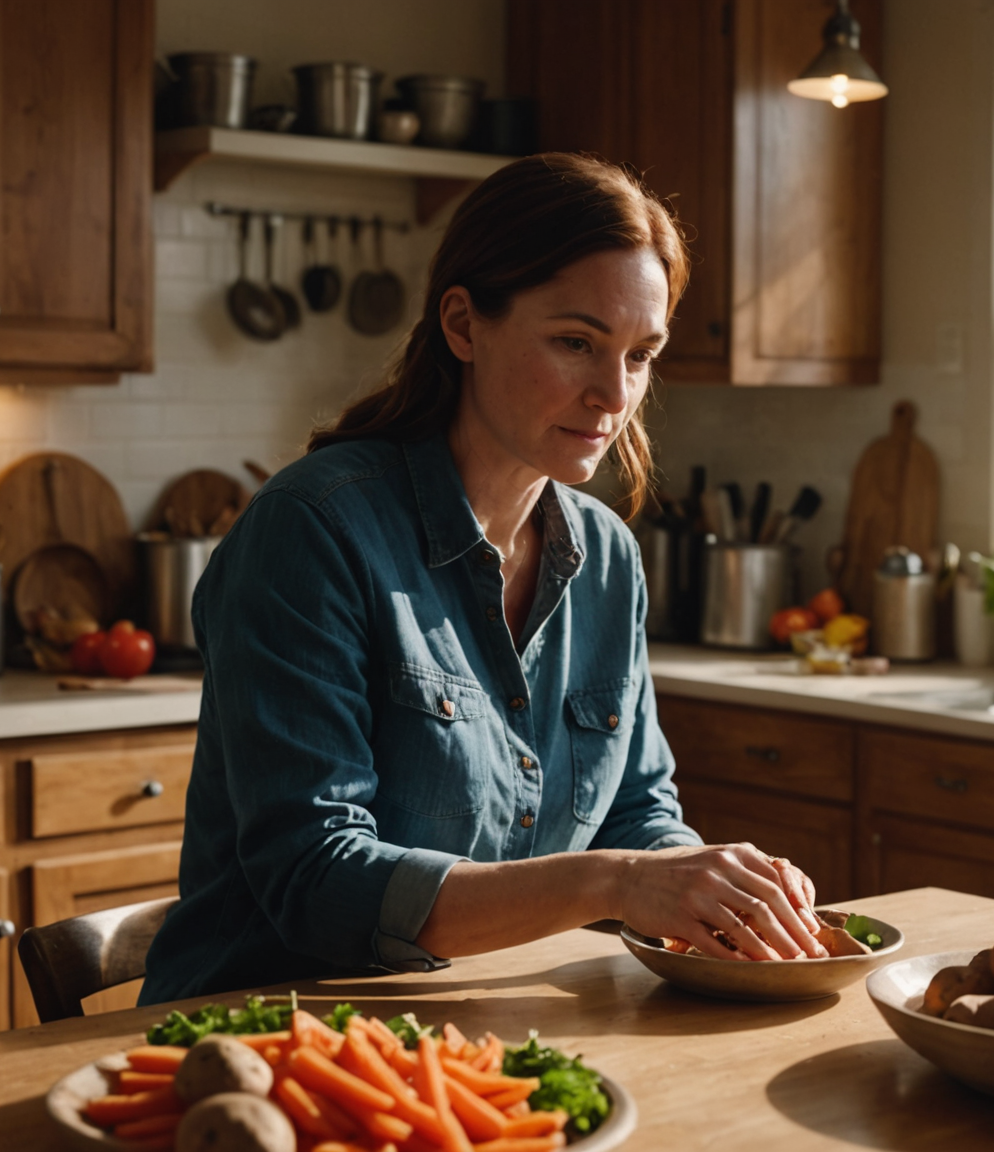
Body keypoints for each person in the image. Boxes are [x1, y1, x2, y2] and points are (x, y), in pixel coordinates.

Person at [142, 155, 826, 1003]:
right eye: (576, 342)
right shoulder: (313, 530)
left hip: (492, 1027)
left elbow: (636, 818)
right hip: (263, 1038)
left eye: (640, 354)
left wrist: (713, 888)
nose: (613, 394)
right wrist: (614, 883)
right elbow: (316, 879)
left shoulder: (607, 557)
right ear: (464, 326)